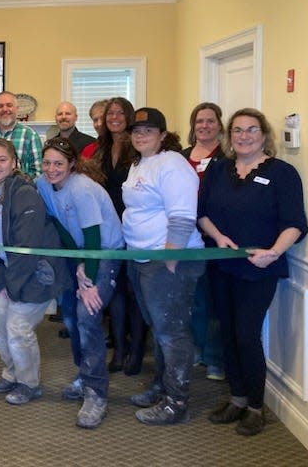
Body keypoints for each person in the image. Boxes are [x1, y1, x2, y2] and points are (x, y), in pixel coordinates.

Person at [198, 108, 307, 436]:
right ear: (229, 136)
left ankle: (256, 408)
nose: (244, 136)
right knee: (227, 333)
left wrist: (272, 253)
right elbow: (202, 214)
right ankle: (237, 398)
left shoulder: (282, 173)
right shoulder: (218, 170)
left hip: (260, 269)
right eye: (237, 131)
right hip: (221, 264)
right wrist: (218, 237)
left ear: (264, 135)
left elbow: (296, 224)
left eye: (251, 130)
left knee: (247, 335)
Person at [122, 107, 205, 426]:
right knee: (158, 328)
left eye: (147, 130)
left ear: (162, 133)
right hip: (141, 258)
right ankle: (161, 385)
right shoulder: (140, 162)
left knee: (172, 332)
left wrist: (170, 261)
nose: (140, 135)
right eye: (136, 130)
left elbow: (183, 216)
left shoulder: (173, 165)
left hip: (168, 261)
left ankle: (176, 402)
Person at [0, 139, 70, 405]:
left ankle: (29, 383)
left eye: (2, 159)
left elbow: (25, 248)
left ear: (14, 163)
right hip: (10, 272)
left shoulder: (24, 194)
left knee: (18, 328)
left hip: (37, 273)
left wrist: (13, 286)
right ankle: (13, 373)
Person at [37, 137, 123, 428]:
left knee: (88, 317)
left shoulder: (82, 189)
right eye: (47, 162)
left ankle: (96, 393)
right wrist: (76, 264)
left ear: (71, 164)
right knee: (71, 318)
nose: (52, 169)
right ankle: (83, 374)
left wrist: (89, 280)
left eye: (58, 163)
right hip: (78, 253)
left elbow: (94, 238)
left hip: (103, 253)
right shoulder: (42, 184)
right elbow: (59, 223)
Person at [92, 97, 147, 375]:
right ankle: (120, 349)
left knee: (134, 290)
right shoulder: (101, 147)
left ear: (128, 117)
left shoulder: (137, 146)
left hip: (135, 227)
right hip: (108, 228)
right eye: (109, 113)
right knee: (114, 291)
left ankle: (136, 350)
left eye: (119, 113)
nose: (114, 117)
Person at [182, 102, 225, 381]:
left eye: (210, 121)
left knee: (214, 301)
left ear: (219, 125)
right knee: (194, 299)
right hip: (186, 237)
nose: (204, 126)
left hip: (215, 237)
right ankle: (195, 349)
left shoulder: (228, 158)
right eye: (200, 121)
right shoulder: (181, 156)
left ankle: (215, 358)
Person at [0, 91, 43, 179]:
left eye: (9, 105)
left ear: (16, 109)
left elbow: (39, 173)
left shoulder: (30, 136)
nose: (5, 109)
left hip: (20, 190)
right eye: (0, 106)